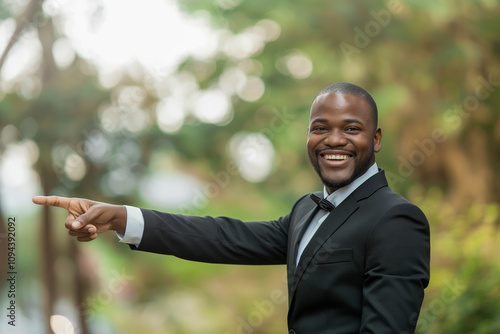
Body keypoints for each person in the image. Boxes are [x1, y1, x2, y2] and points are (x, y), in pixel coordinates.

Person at [33, 82, 430, 333]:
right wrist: (121, 216)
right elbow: (223, 237)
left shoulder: (395, 219)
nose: (334, 139)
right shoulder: (306, 211)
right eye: (321, 127)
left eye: (352, 128)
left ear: (375, 139)